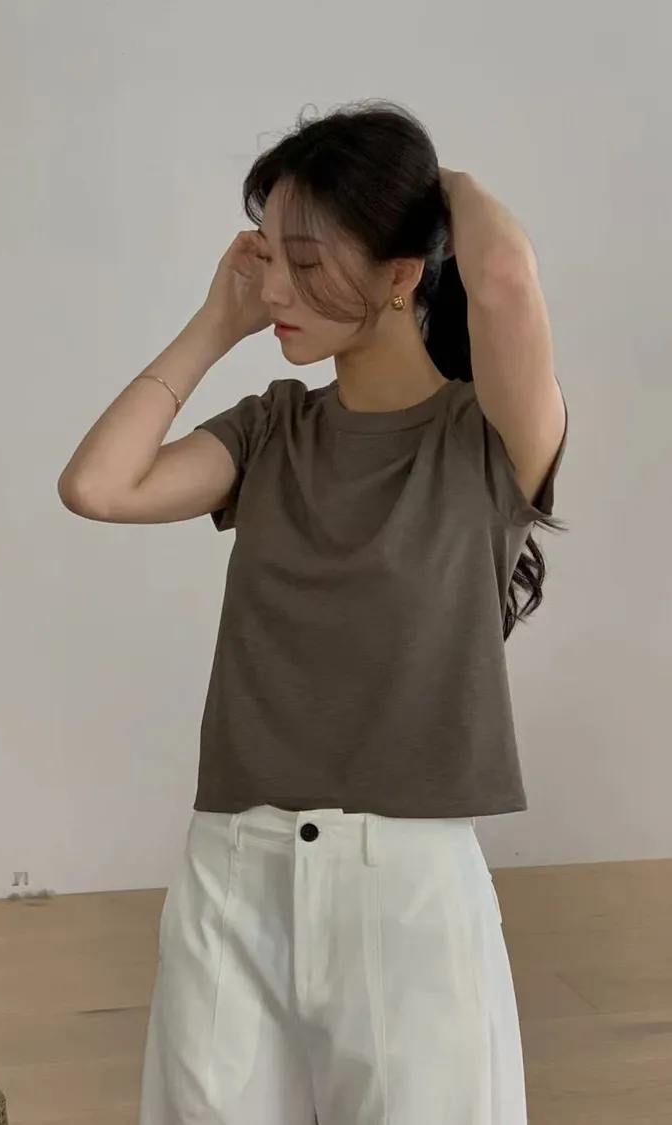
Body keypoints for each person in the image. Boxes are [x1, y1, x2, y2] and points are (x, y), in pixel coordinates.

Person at [59, 103, 566, 1125]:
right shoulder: (271, 431)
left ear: (402, 274)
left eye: (306, 260)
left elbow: (506, 274)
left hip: (408, 889)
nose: (276, 289)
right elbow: (98, 486)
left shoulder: (484, 441)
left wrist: (429, 190)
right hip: (232, 873)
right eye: (269, 256)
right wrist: (218, 323)